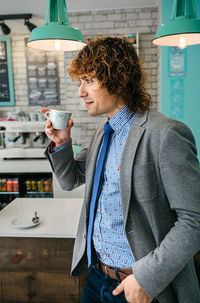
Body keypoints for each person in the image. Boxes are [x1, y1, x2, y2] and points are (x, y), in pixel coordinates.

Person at [42, 36, 200, 303]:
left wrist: (146, 278)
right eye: (80, 82)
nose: (80, 92)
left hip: (143, 287)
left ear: (120, 78)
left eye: (89, 80)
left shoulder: (166, 134)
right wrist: (61, 143)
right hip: (98, 278)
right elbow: (71, 180)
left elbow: (194, 220)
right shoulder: (103, 134)